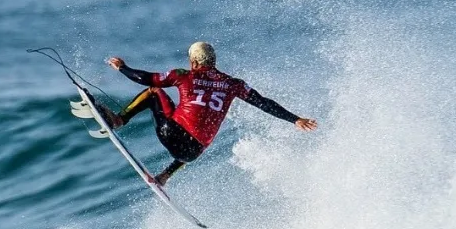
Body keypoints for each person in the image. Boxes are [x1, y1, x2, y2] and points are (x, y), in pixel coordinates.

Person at [98, 41, 317, 186]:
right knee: (202, 133)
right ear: (213, 62)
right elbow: (263, 102)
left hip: (171, 134)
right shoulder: (233, 84)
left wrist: (122, 68)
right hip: (192, 154)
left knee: (154, 92)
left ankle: (119, 119)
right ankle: (165, 176)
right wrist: (295, 119)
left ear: (193, 62)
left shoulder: (184, 75)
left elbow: (146, 78)